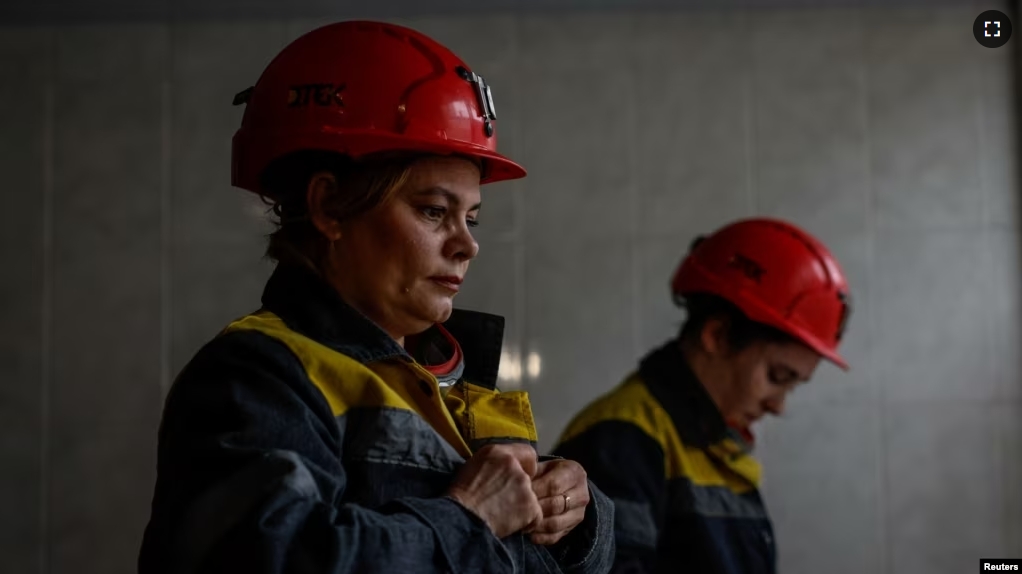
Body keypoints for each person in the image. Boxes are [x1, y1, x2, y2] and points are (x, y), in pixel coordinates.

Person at [139, 20, 614, 574]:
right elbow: (275, 560)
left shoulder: (443, 379)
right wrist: (469, 520)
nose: (468, 245)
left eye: (472, 218)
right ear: (330, 207)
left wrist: (580, 516)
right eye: (434, 211)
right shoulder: (253, 376)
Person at [552, 218, 852, 574]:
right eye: (777, 376)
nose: (778, 404)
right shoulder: (620, 439)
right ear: (718, 335)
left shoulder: (713, 448)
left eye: (793, 384)